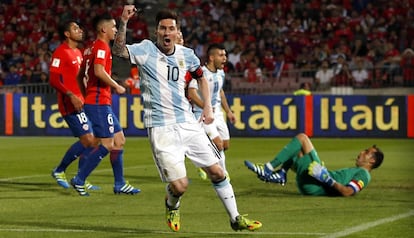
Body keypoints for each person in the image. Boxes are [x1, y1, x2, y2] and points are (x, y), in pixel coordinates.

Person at [112, 6, 261, 232]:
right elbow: (119, 51)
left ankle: (235, 218)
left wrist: (209, 108)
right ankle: (172, 203)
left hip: (188, 123)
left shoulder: (187, 54)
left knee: (218, 171)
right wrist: (123, 21)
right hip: (161, 128)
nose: (166, 32)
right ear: (157, 32)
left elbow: (201, 78)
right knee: (180, 186)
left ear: (176, 31)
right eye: (162, 28)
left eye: (171, 28)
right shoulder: (145, 50)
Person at [70, 12, 140, 196]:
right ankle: (80, 179)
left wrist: (86, 96)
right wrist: (117, 86)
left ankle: (120, 184)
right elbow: (99, 71)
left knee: (119, 140)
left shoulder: (89, 48)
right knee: (107, 143)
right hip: (99, 102)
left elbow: (79, 77)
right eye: (114, 26)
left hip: (97, 101)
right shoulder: (101, 47)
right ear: (104, 29)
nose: (116, 30)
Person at [244, 133, 384, 197]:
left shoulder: (364, 175)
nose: (361, 153)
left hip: (318, 184)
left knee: (302, 138)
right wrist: (325, 175)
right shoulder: (357, 170)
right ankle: (281, 174)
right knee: (296, 150)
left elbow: (348, 192)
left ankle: (268, 168)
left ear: (372, 161)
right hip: (315, 181)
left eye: (366, 152)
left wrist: (327, 179)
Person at [48, 20, 99, 191]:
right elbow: (54, 79)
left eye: (79, 27)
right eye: (75, 28)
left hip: (82, 101)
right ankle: (59, 170)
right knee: (88, 139)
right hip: (70, 103)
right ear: (67, 34)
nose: (80, 30)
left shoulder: (78, 52)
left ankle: (80, 178)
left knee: (94, 139)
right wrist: (70, 95)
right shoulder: (60, 52)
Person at [187, 43, 236, 180]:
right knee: (218, 144)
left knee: (225, 145)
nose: (225, 58)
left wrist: (229, 111)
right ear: (212, 57)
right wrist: (206, 107)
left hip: (218, 113)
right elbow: (191, 92)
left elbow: (220, 92)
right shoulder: (200, 73)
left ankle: (201, 163)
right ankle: (223, 174)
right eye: (221, 55)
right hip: (202, 114)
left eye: (225, 55)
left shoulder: (221, 73)